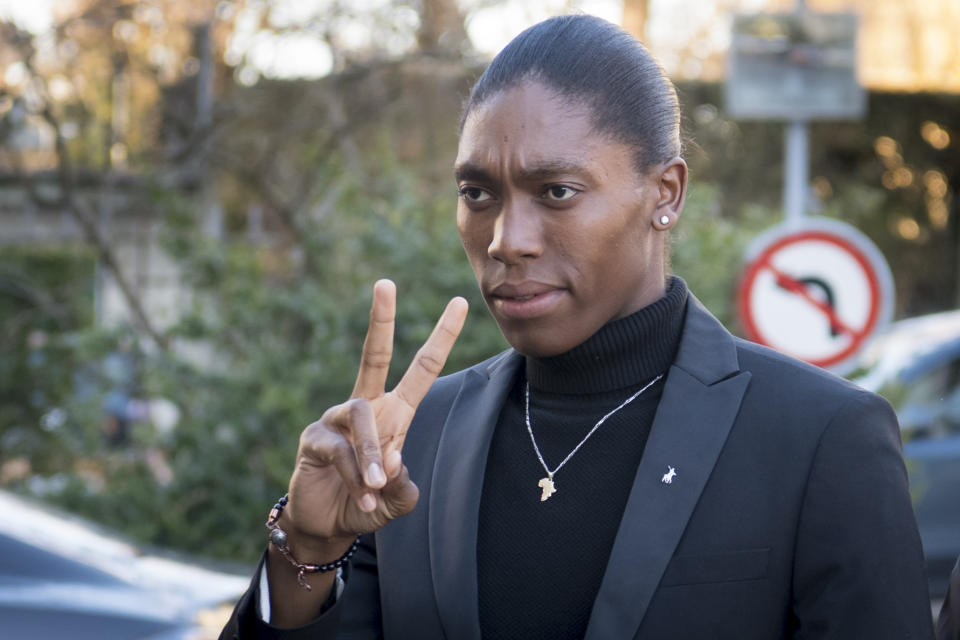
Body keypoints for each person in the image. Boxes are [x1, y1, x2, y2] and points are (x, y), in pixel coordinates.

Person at [221, 15, 934, 639]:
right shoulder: (409, 445)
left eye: (556, 191)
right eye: (477, 193)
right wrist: (307, 551)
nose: (506, 238)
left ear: (665, 193)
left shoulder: (819, 438)